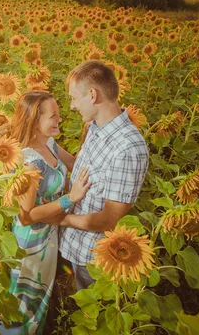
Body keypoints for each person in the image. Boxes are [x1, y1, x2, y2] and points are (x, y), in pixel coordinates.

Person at [0, 90, 91, 335]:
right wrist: (72, 197)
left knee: (38, 296)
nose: (59, 119)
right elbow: (26, 215)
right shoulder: (30, 162)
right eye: (53, 116)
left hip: (49, 234)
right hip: (32, 241)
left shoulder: (49, 144)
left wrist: (89, 134)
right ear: (35, 121)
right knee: (25, 300)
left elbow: (75, 164)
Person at [58, 60, 149, 290]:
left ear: (92, 95)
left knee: (91, 315)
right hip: (72, 243)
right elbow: (80, 168)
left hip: (93, 257)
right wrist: (43, 143)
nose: (71, 106)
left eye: (74, 98)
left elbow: (110, 219)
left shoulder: (127, 149)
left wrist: (61, 218)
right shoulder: (95, 127)